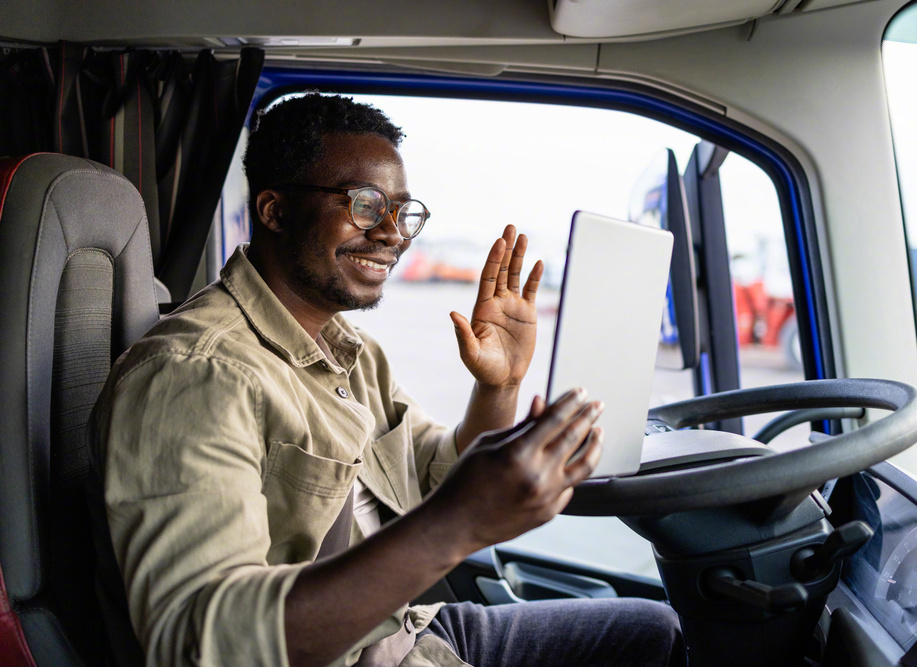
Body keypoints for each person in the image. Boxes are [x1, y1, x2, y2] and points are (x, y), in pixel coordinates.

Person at [92, 93, 684, 666]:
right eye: (367, 205)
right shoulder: (197, 375)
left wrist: (499, 387)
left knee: (653, 632)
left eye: (404, 212)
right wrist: (457, 523)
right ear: (274, 211)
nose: (394, 232)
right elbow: (200, 648)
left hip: (405, 633)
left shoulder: (351, 352)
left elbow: (437, 474)